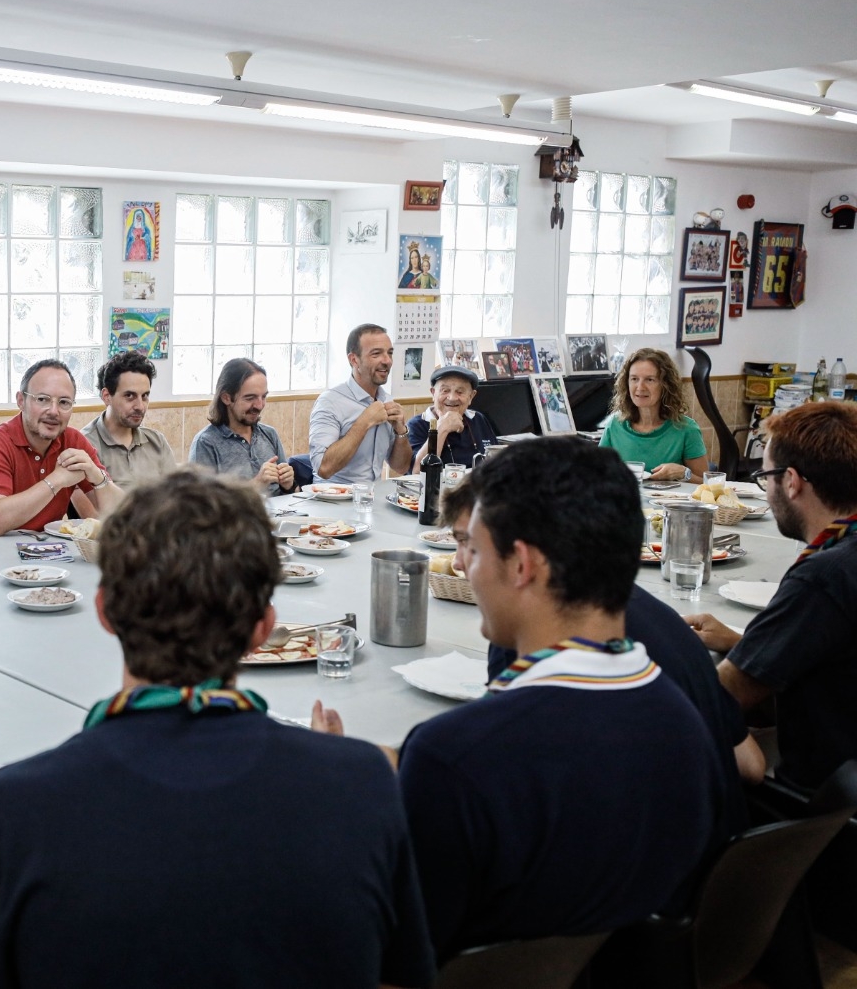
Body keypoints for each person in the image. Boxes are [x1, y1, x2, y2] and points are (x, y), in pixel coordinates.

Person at [0, 472, 434, 989]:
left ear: (105, 611)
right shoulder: (361, 785)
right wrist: (327, 773)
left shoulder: (12, 811)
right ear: (262, 627)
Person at [317, 438, 725, 959]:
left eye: (473, 549)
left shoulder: (456, 758)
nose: (462, 566)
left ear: (522, 565)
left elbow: (398, 957)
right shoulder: (681, 719)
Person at [438, 478, 762, 831]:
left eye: (468, 544)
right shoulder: (658, 616)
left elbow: (502, 786)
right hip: (720, 850)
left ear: (522, 558)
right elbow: (752, 765)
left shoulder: (525, 639)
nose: (458, 562)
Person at [684, 401, 857, 793]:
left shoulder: (823, 577)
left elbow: (723, 696)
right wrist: (745, 643)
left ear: (791, 481)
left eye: (766, 477)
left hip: (818, 806)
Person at [0, 360, 123, 536]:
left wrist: (97, 476)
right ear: (21, 401)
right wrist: (57, 480)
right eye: (42, 399)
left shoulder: (74, 441)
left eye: (64, 402)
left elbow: (122, 516)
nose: (54, 411)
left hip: (47, 548)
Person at [309, 324, 412, 484]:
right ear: (354, 360)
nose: (387, 361)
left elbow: (401, 467)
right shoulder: (329, 402)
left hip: (373, 495)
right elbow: (323, 468)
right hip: (334, 496)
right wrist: (364, 422)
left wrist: (401, 431)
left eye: (390, 353)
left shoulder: (387, 400)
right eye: (376, 354)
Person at [187, 357, 295, 496]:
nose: (259, 405)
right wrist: (256, 484)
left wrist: (289, 485)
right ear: (226, 398)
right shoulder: (206, 442)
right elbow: (200, 503)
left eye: (263, 397)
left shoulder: (269, 434)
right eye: (250, 398)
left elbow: (291, 495)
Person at [599, 348, 708, 483]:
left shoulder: (687, 429)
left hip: (671, 497)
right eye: (634, 379)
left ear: (665, 385)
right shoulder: (614, 425)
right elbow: (596, 474)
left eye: (649, 380)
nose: (640, 387)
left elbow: (707, 483)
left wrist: (683, 473)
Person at [80, 351, 177, 489]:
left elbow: (176, 496)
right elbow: (88, 503)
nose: (140, 406)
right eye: (130, 396)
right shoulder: (84, 444)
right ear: (107, 396)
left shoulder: (157, 442)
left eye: (145, 396)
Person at [406, 365, 499, 468]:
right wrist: (441, 429)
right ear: (433, 393)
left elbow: (497, 461)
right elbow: (417, 471)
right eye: (445, 390)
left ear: (471, 396)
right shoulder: (417, 425)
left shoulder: (478, 419)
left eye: (460, 392)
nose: (452, 398)